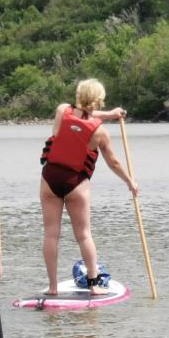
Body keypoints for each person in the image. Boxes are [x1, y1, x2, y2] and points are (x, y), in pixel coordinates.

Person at [39, 79, 137, 295]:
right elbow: (113, 162)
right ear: (98, 100)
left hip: (50, 178)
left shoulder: (62, 110)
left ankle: (53, 287)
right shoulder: (100, 133)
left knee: (51, 234)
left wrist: (111, 114)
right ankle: (94, 285)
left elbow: (77, 113)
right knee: (84, 235)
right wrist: (130, 182)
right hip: (75, 183)